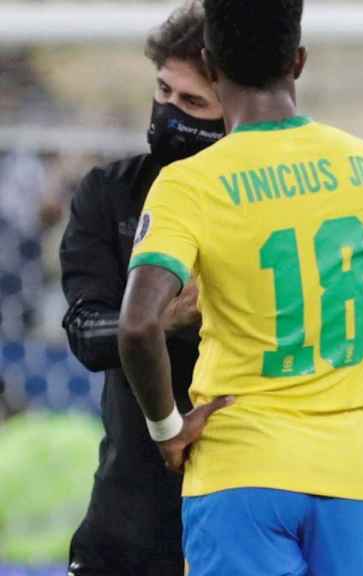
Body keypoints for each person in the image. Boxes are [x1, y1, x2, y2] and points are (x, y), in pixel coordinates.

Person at [117, 0, 363, 574]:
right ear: (299, 60)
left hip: (240, 472)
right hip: (347, 475)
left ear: (211, 67)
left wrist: (167, 428)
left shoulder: (189, 183)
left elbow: (138, 323)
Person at [59, 3, 224, 573]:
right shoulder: (110, 195)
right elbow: (86, 331)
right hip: (128, 517)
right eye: (163, 91)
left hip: (242, 496)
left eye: (193, 103)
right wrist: (163, 318)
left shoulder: (267, 207)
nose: (168, 114)